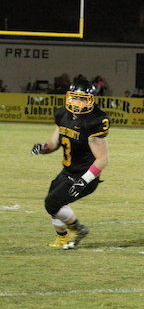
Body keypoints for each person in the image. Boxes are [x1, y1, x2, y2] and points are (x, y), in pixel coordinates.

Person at [30, 77, 110, 250]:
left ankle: (78, 229)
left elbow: (102, 159)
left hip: (85, 175)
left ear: (90, 100)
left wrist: (84, 181)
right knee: (53, 204)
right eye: (75, 97)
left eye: (82, 99)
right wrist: (43, 148)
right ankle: (62, 238)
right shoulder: (62, 114)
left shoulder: (95, 120)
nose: (78, 103)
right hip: (67, 171)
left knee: (52, 203)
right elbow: (54, 143)